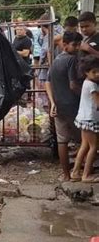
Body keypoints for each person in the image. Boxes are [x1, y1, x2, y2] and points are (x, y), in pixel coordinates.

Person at [45, 32, 83, 181]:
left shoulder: (56, 60)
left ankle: (66, 174)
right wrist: (86, 95)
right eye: (75, 45)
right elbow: (73, 85)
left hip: (59, 106)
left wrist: (53, 102)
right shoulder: (72, 60)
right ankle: (79, 172)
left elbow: (48, 82)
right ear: (65, 44)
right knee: (84, 141)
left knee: (62, 141)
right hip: (73, 105)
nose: (78, 47)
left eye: (79, 44)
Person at [71, 55, 99, 182]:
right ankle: (86, 175)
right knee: (93, 147)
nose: (97, 74)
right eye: (94, 72)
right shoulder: (92, 86)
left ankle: (76, 172)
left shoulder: (86, 83)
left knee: (85, 146)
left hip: (84, 118)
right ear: (86, 72)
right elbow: (98, 104)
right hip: (90, 119)